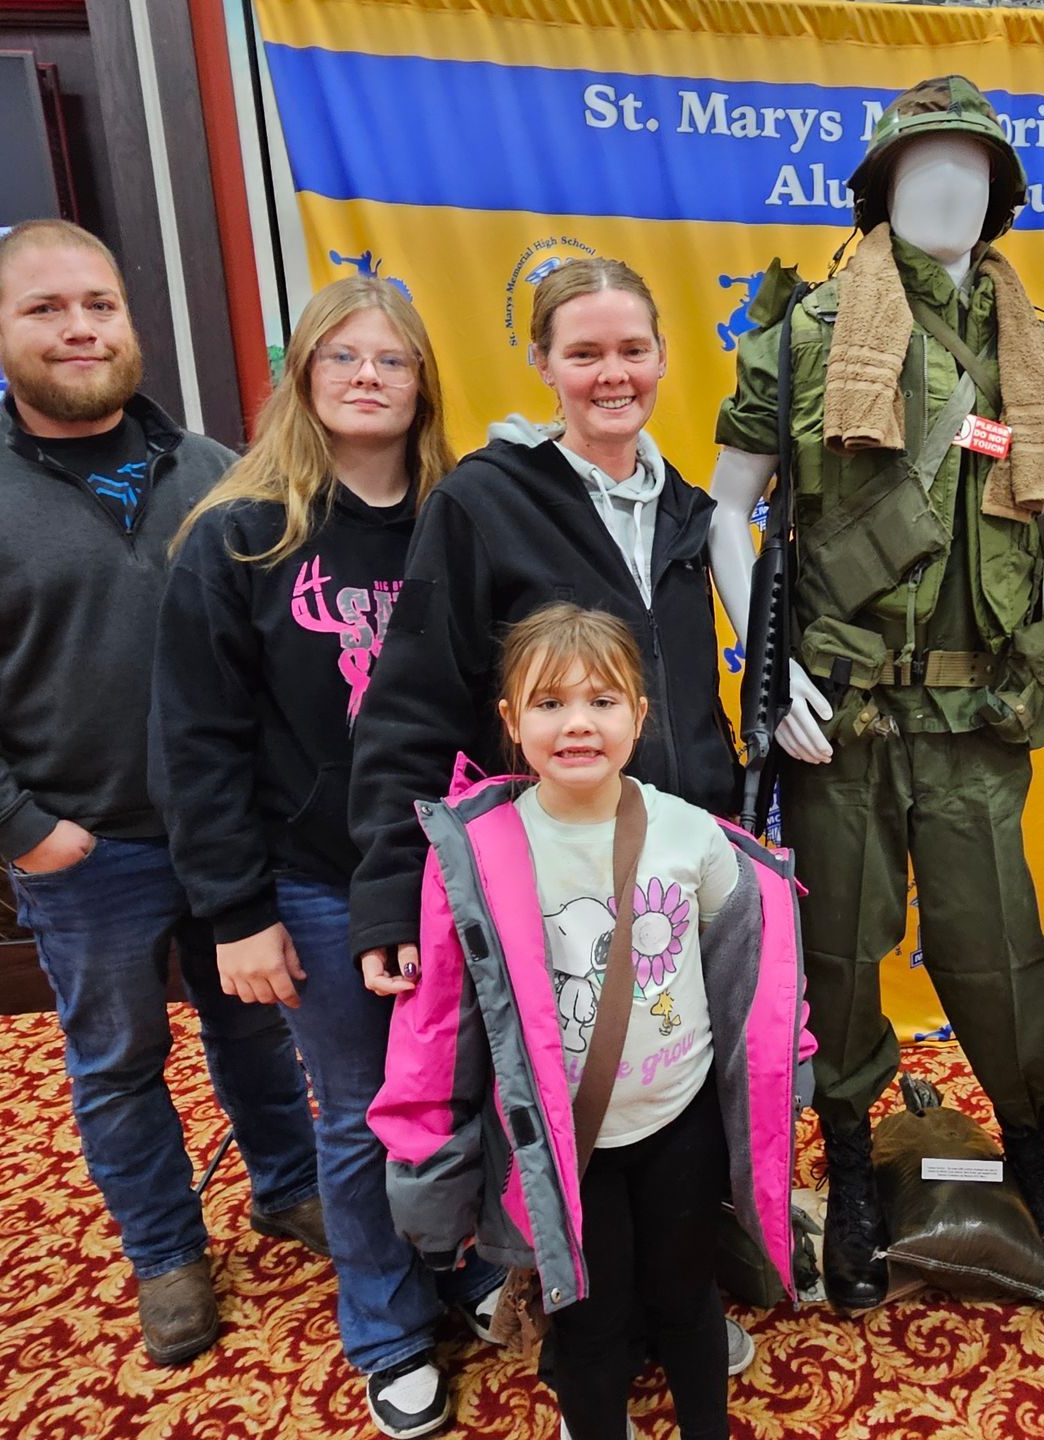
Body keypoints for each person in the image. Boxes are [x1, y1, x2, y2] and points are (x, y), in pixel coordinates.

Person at [710, 74, 1044, 1312]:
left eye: (975, 169)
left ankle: (1033, 1156)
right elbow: (727, 510)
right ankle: (844, 1155)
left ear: (1003, 197)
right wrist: (768, 668)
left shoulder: (1034, 345)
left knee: (997, 956)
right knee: (835, 959)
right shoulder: (801, 336)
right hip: (840, 714)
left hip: (982, 719)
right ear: (878, 189)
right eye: (922, 167)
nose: (950, 186)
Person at [0, 219, 321, 1366]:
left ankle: (288, 1187)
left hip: (230, 834)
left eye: (99, 304)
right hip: (88, 851)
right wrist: (23, 833)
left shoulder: (217, 471)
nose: (79, 328)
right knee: (118, 1059)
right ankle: (167, 1255)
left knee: (256, 1034)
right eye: (45, 309)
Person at [346, 256, 753, 1377]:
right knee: (559, 1100)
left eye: (632, 350)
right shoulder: (483, 501)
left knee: (672, 1093)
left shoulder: (687, 507)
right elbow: (411, 701)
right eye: (585, 352)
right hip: (548, 870)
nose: (612, 374)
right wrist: (386, 882)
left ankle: (676, 1299)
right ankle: (573, 1318)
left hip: (675, 853)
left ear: (664, 359)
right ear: (541, 364)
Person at [152, 276, 503, 1435]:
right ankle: (390, 1326)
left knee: (476, 1092)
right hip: (312, 878)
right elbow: (196, 742)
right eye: (343, 357)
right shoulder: (240, 539)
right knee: (361, 1114)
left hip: (463, 866)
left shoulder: (464, 518)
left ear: (422, 385)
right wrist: (235, 913)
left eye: (392, 360)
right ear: (303, 377)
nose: (367, 376)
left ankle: (467, 1266)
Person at [370, 604, 811, 1440]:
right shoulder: (480, 854)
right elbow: (436, 1023)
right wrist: (424, 1150)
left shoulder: (690, 836)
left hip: (679, 1124)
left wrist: (793, 1065)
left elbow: (758, 970)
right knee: (590, 1317)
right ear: (511, 721)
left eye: (603, 700)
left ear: (640, 715)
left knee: (687, 1300)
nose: (578, 723)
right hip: (563, 1148)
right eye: (549, 703)